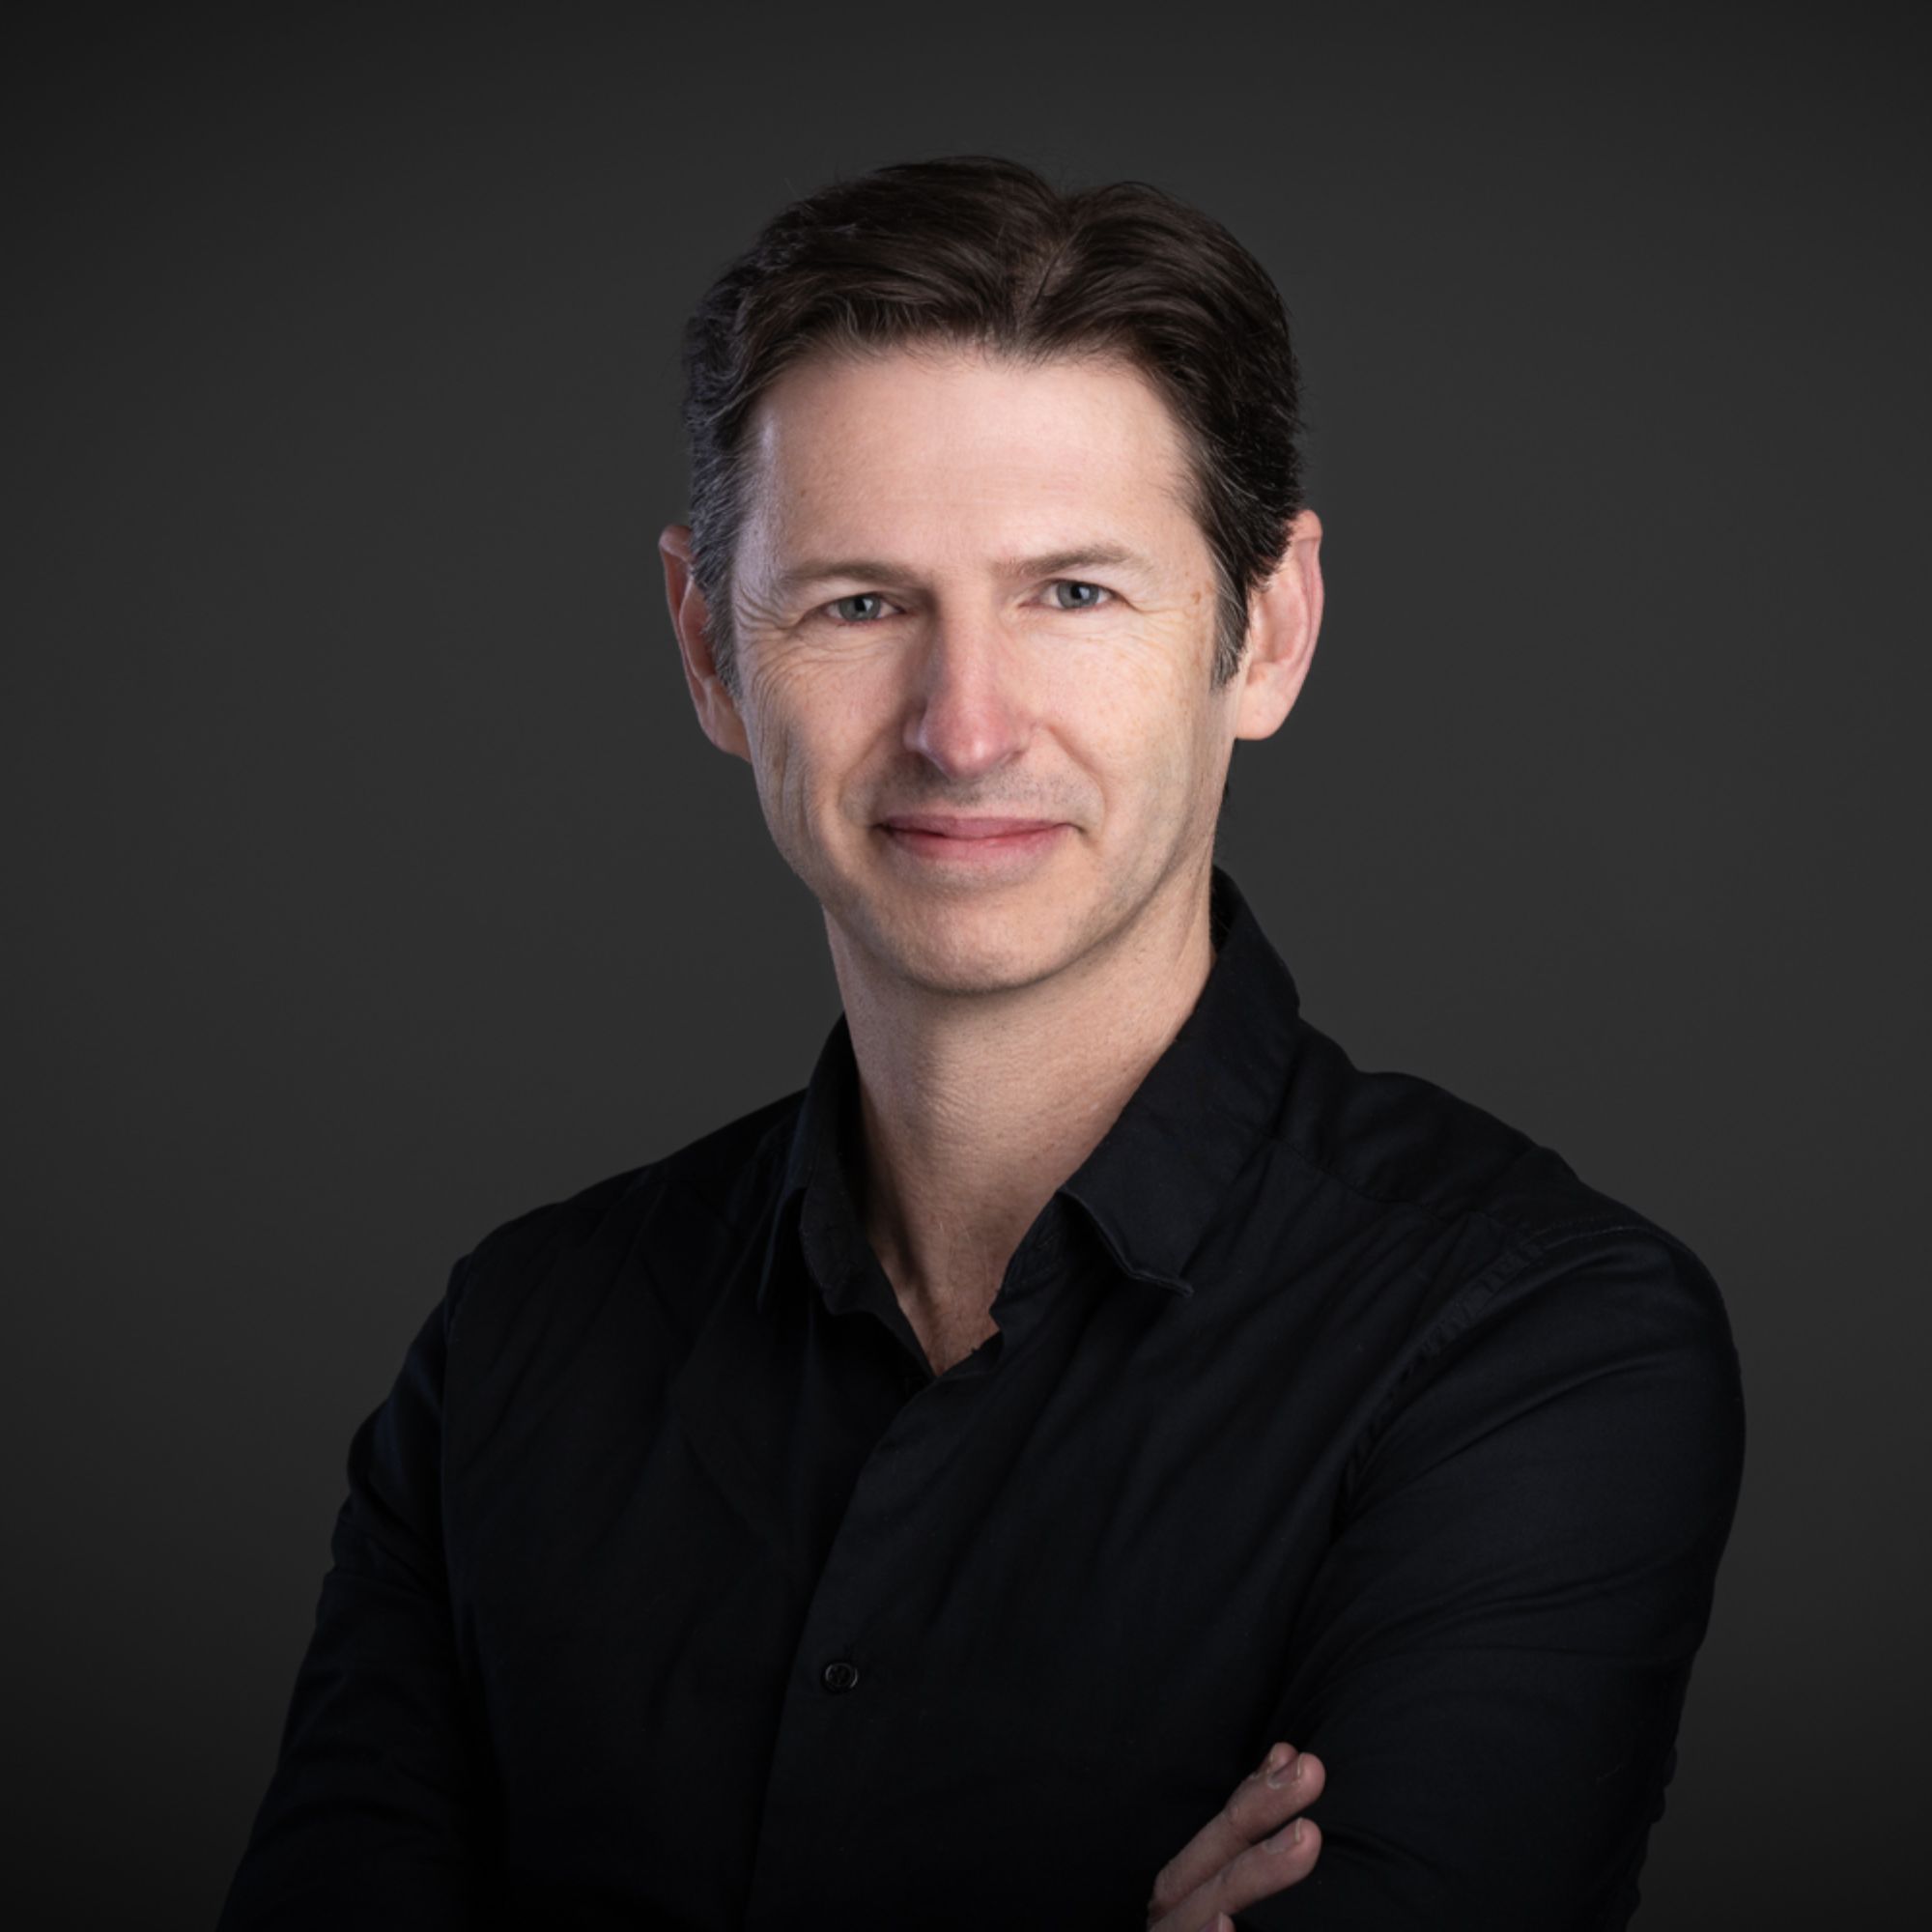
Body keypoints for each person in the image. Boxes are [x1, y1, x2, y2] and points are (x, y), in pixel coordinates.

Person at [218, 156, 1746, 1931]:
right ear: (709, 652)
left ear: (1267, 632)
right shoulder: (518, 1347)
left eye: (1073, 594)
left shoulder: (1533, 1350)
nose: (963, 728)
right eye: (860, 603)